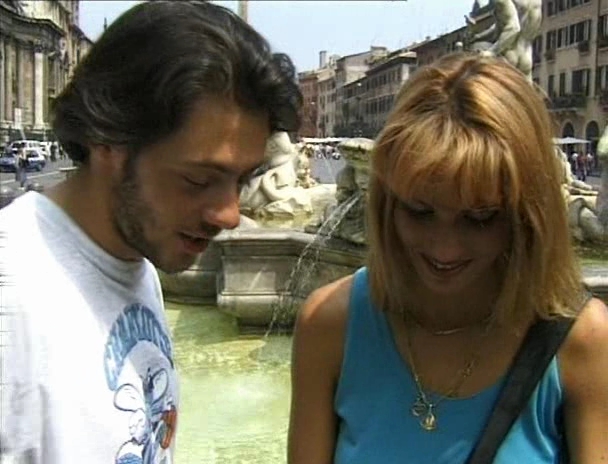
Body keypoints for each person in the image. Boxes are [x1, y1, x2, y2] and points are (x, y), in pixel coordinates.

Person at [0, 1, 300, 463]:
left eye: (242, 180)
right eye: (198, 179)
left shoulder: (138, 259)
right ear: (109, 139)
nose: (230, 214)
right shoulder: (12, 297)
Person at [288, 52, 608, 463]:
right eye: (420, 212)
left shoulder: (584, 340)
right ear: (387, 202)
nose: (445, 249)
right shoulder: (328, 325)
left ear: (528, 215)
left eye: (480, 218)